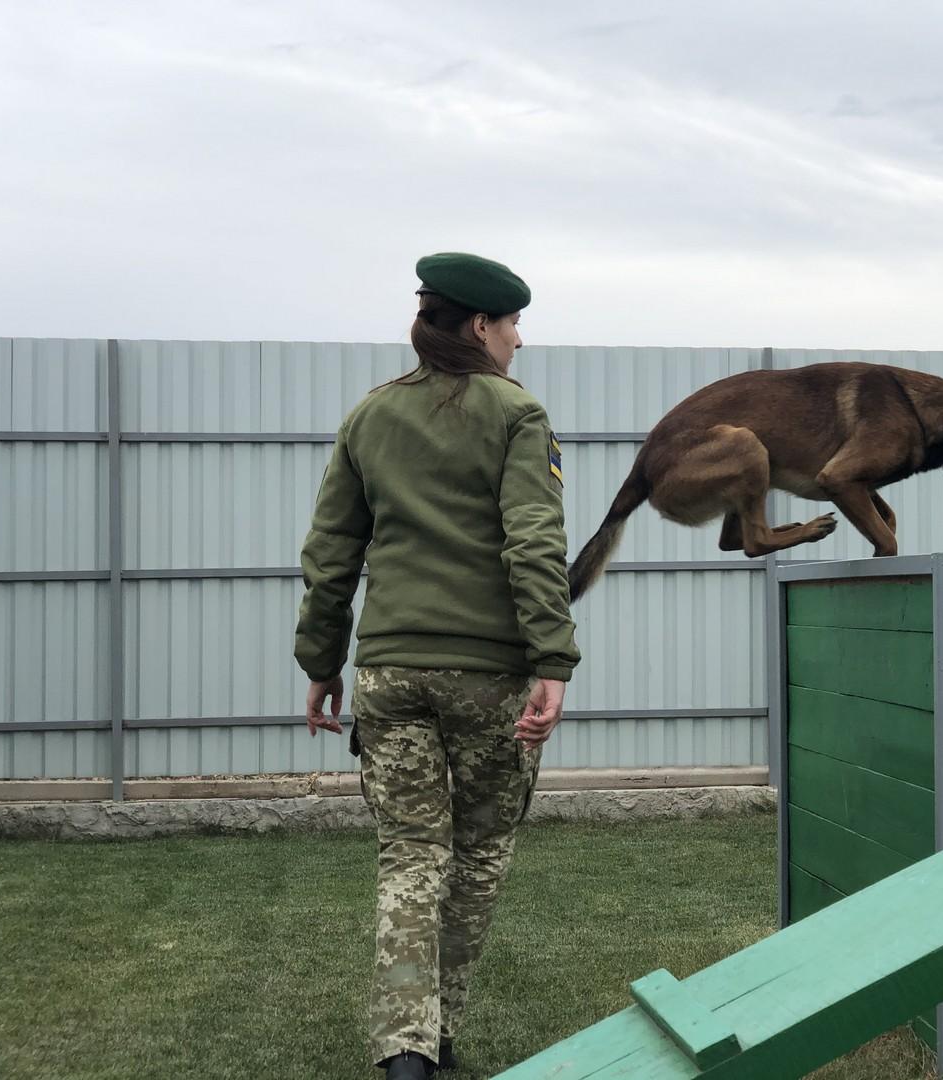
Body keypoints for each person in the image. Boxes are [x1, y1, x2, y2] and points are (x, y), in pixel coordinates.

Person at [293, 252, 581, 1079]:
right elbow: (533, 540)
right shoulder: (516, 415)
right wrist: (552, 656)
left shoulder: (368, 417)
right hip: (488, 676)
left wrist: (321, 659)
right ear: (481, 326)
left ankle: (408, 1053)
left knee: (410, 855)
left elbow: (330, 553)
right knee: (480, 854)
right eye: (514, 324)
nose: (520, 341)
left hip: (389, 673)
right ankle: (437, 1026)